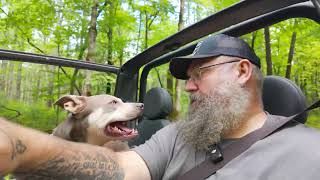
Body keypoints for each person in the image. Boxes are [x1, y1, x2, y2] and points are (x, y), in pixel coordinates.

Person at [0, 34, 320, 180]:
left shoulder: (310, 152)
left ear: (242, 71)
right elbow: (121, 169)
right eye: (188, 78)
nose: (188, 86)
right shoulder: (179, 136)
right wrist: (20, 147)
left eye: (200, 74)